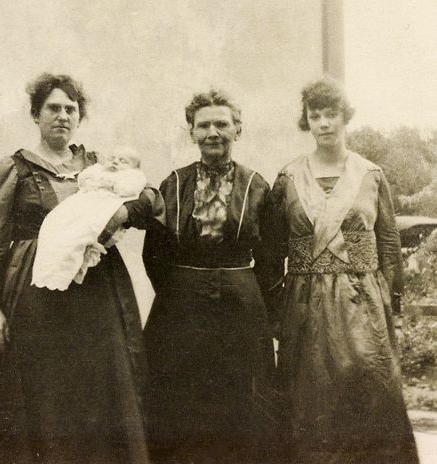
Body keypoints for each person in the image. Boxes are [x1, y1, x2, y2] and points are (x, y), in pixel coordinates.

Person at [0, 73, 160, 464]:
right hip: (36, 298)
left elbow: (149, 197)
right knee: (43, 394)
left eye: (70, 109)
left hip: (96, 295)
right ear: (36, 114)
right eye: (53, 108)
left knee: (98, 393)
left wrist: (124, 211)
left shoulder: (98, 166)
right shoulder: (15, 168)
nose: (62, 116)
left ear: (79, 117)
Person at [268, 76, 419, 463]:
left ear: (343, 117)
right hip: (305, 303)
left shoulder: (371, 175)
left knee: (369, 390)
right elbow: (270, 251)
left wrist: (393, 302)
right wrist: (272, 311)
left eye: (330, 114)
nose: (323, 123)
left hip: (362, 301)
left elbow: (388, 243)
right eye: (314, 115)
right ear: (307, 121)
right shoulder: (287, 177)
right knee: (308, 395)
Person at [142, 89, 281, 463]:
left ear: (238, 129)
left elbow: (271, 257)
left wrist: (256, 301)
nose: (213, 132)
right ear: (191, 133)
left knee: (241, 399)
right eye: (203, 125)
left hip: (240, 300)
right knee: (180, 396)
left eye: (222, 123)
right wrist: (178, 291)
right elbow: (154, 252)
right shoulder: (173, 183)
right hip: (180, 305)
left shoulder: (257, 186)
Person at [32, 146, 147, 291]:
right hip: (82, 205)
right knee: (54, 223)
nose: (115, 162)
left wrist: (109, 181)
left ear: (134, 168)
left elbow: (129, 190)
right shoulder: (98, 168)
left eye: (123, 161)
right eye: (112, 158)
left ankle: (77, 268)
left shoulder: (133, 177)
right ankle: (54, 271)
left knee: (84, 236)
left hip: (103, 208)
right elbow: (82, 179)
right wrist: (94, 176)